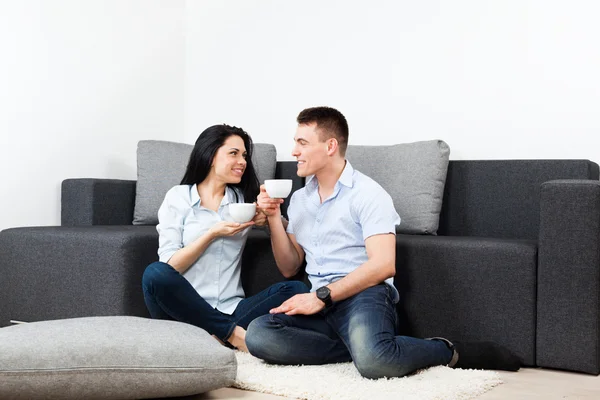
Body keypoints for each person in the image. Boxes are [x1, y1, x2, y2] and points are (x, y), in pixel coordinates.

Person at [246, 107, 521, 378]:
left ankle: (448, 351)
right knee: (259, 335)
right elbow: (289, 266)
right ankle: (359, 349)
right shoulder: (300, 200)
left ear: (330, 146)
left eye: (302, 143)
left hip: (363, 295)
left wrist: (321, 296)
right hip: (319, 301)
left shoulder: (368, 194)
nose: (294, 151)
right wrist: (272, 218)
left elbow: (383, 265)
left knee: (375, 363)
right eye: (295, 142)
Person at [142, 124, 309, 352]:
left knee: (295, 289)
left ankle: (216, 335)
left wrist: (272, 218)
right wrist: (212, 234)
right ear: (210, 155)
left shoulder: (243, 201)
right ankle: (233, 335)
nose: (242, 161)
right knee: (155, 274)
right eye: (233, 153)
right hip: (183, 311)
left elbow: (289, 242)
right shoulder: (178, 197)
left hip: (232, 309)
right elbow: (171, 266)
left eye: (244, 155)